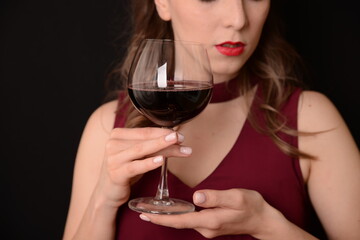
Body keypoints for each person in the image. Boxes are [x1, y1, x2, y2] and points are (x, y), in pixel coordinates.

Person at [63, 0, 360, 239]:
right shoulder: (106, 127)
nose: (238, 19)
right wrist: (103, 201)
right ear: (163, 4)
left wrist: (268, 227)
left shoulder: (309, 117)